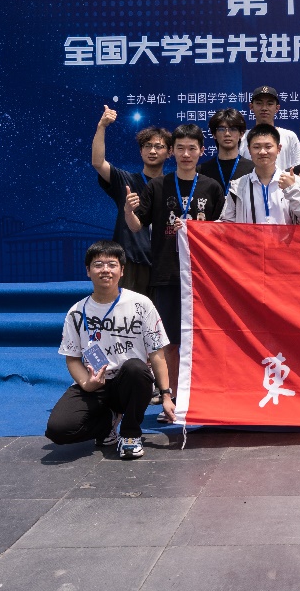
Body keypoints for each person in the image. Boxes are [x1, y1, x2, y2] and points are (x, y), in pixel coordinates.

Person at [45, 241, 175, 459]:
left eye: (112, 265)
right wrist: (87, 383)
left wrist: (166, 395)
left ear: (122, 270)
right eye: (98, 265)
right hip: (96, 383)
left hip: (130, 382)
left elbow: (157, 354)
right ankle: (109, 422)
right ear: (88, 271)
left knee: (136, 368)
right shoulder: (76, 312)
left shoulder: (141, 304)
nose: (105, 270)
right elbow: (72, 358)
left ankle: (130, 435)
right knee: (58, 430)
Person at [124, 123, 225, 402]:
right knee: (170, 341)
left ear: (202, 151)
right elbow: (136, 226)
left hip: (202, 277)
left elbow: (224, 230)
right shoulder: (158, 186)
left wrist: (198, 228)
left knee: (204, 338)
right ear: (172, 152)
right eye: (180, 148)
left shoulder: (212, 187)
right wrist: (129, 211)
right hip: (167, 274)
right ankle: (174, 398)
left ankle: (203, 395)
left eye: (192, 148)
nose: (186, 154)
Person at [91, 106, 170, 294]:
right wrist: (102, 126)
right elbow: (98, 163)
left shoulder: (173, 186)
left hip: (164, 263)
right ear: (141, 151)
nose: (152, 151)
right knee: (127, 311)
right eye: (147, 146)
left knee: (160, 311)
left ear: (169, 152)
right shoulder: (125, 180)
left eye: (159, 146)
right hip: (131, 262)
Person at [220, 124, 300, 224]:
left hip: (285, 235)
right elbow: (226, 224)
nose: (262, 152)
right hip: (248, 235)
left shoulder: (295, 182)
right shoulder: (238, 186)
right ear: (249, 150)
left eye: (268, 147)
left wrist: (292, 190)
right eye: (256, 147)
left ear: (278, 149)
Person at [249, 86, 300, 172]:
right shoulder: (243, 137)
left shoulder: (289, 136)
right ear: (251, 107)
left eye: (269, 104)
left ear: (277, 108)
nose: (264, 108)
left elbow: (298, 167)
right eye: (259, 103)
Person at [198, 108, 254, 189]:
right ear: (214, 134)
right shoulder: (202, 170)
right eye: (221, 129)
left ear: (241, 134)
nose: (227, 134)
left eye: (233, 129)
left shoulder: (253, 169)